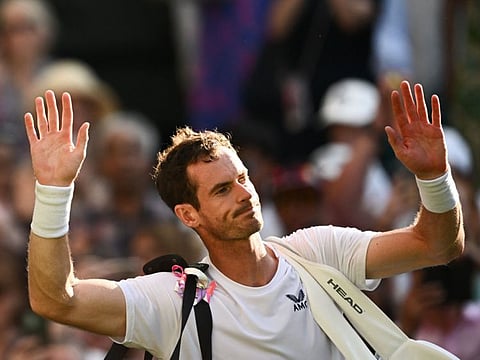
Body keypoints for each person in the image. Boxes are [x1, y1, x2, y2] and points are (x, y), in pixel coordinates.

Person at [24, 80, 464, 359]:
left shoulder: (318, 250)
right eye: (221, 190)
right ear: (187, 215)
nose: (243, 194)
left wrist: (433, 176)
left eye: (243, 178)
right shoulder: (174, 298)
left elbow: (438, 245)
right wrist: (54, 190)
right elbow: (56, 301)